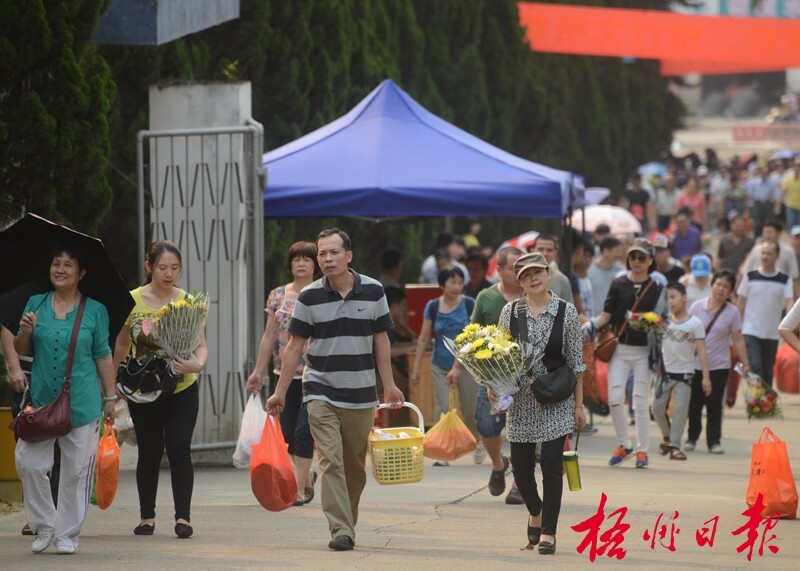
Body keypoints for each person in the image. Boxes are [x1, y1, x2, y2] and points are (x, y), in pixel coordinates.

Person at [265, 228, 403, 552]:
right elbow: (295, 346)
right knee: (329, 460)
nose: (326, 259)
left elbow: (381, 339)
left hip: (361, 392)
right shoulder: (309, 296)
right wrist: (281, 392)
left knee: (354, 467)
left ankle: (346, 521)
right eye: (322, 254)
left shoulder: (374, 291)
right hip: (319, 388)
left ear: (348, 255)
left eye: (333, 253)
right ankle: (341, 528)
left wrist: (390, 385)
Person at [14, 246, 117, 555]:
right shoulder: (36, 304)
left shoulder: (96, 310)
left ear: (81, 273)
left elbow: (103, 355)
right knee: (29, 464)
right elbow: (21, 347)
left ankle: (67, 533)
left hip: (82, 404)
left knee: (75, 471)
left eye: (68, 265)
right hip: (41, 402)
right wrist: (25, 331)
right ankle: (45, 524)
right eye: (55, 263)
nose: (60, 269)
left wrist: (110, 396)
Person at [113, 240, 208, 539]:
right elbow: (120, 344)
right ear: (149, 266)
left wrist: (196, 365)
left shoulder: (188, 302)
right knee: (150, 451)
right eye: (163, 267)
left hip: (182, 388)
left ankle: (183, 518)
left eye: (175, 268)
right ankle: (147, 518)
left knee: (179, 447)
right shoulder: (131, 301)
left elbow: (201, 346)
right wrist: (113, 389)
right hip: (144, 390)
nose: (169, 274)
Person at [496, 252, 586, 555]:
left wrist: (579, 406)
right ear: (519, 281)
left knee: (550, 465)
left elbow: (577, 363)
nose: (533, 278)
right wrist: (494, 390)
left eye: (538, 272)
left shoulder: (567, 312)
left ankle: (548, 531)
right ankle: (535, 510)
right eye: (526, 275)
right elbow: (499, 356)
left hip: (556, 399)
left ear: (548, 274)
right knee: (521, 469)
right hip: (521, 400)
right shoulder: (510, 313)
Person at [448, 246, 525, 504]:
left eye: (521, 266)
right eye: (513, 268)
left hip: (525, 379)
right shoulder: (486, 297)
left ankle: (520, 483)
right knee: (486, 425)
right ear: (500, 270)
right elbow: (471, 336)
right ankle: (498, 465)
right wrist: (457, 367)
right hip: (492, 377)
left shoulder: (533, 297)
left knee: (522, 432)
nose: (519, 272)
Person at [246, 241, 318, 506]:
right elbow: (269, 336)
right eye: (296, 259)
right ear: (289, 264)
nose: (301, 263)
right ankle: (306, 475)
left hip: (313, 374)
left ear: (316, 265)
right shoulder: (277, 295)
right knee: (285, 432)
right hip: (282, 374)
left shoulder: (321, 293)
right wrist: (257, 371)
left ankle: (298, 489)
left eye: (307, 259)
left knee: (303, 431)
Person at [585, 238, 663, 469]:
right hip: (619, 348)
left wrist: (652, 323)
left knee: (640, 402)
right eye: (633, 257)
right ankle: (624, 444)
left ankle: (642, 450)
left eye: (642, 257)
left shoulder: (657, 287)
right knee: (615, 398)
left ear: (650, 260)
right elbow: (606, 315)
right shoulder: (618, 284)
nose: (637, 261)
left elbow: (662, 319)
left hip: (644, 351)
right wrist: (589, 326)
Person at [411, 267, 478, 466]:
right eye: (453, 282)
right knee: (442, 408)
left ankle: (477, 441)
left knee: (469, 410)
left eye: (460, 282)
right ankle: (443, 452)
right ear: (442, 285)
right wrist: (416, 368)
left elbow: (475, 335)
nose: (458, 286)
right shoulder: (432, 306)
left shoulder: (468, 304)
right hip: (439, 364)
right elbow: (424, 338)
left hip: (467, 365)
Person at [687, 271, 751, 454]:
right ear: (712, 285)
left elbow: (738, 339)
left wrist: (745, 363)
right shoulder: (697, 307)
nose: (721, 289)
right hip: (695, 364)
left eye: (726, 286)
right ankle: (692, 437)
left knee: (714, 403)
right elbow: (687, 333)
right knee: (694, 403)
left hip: (719, 365)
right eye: (718, 284)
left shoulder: (732, 313)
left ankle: (714, 441)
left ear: (731, 291)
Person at [652, 283, 710, 461]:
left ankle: (675, 447)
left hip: (685, 374)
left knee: (679, 411)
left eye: (673, 296)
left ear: (685, 297)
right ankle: (668, 438)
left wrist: (706, 377)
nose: (670, 301)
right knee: (657, 408)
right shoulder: (662, 323)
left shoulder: (695, 323)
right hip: (664, 374)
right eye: (667, 298)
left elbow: (701, 351)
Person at [736, 241, 794, 389]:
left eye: (769, 253)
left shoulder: (784, 279)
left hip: (772, 333)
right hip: (750, 330)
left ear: (777, 256)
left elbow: (789, 302)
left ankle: (766, 403)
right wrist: (736, 326)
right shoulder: (750, 276)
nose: (765, 256)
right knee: (755, 366)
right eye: (763, 253)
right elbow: (741, 302)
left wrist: (791, 324)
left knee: (768, 369)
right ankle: (755, 399)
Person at [740, 221, 799, 297]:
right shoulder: (756, 249)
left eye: (770, 232)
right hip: (755, 292)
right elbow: (745, 272)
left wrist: (797, 298)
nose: (767, 235)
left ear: (779, 234)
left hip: (778, 294)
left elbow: (794, 278)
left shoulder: (788, 253)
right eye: (765, 232)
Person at [587, 236, 625, 317]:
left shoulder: (621, 271)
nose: (620, 255)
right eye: (617, 251)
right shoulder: (588, 269)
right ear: (606, 251)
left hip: (611, 320)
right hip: (590, 319)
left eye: (621, 251)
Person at [532, 234, 572, 303]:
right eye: (540, 249)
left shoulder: (562, 280)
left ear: (555, 253)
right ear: (532, 250)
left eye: (549, 250)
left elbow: (569, 310)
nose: (545, 253)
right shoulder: (522, 276)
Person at [746, 165, 781, 238]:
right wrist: (749, 207)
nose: (764, 174)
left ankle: (770, 237)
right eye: (763, 172)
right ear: (759, 173)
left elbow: (776, 195)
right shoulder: (753, 183)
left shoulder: (772, 183)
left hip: (768, 204)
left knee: (770, 223)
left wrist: (776, 207)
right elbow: (749, 195)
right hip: (758, 204)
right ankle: (757, 239)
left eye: (766, 173)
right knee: (758, 224)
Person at [783, 160, 800, 231]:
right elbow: (783, 191)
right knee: (791, 222)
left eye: (798, 168)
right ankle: (791, 237)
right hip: (790, 205)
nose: (797, 169)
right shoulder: (788, 179)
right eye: (795, 167)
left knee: (798, 224)